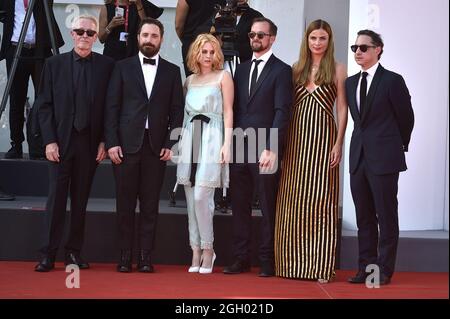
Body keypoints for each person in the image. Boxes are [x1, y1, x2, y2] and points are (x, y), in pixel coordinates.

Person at [34, 15, 114, 272]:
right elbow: (43, 106)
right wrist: (49, 141)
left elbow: (109, 109)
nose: (84, 36)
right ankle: (48, 253)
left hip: (89, 144)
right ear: (72, 33)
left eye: (90, 33)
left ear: (96, 36)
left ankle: (73, 253)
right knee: (56, 199)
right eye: (80, 31)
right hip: (60, 143)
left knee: (80, 201)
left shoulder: (106, 66)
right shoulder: (54, 64)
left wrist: (104, 140)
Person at [105, 18, 184, 273]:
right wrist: (112, 143)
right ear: (138, 37)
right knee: (125, 204)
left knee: (150, 205)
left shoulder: (172, 71)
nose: (149, 40)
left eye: (154, 36)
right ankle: (125, 256)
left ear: (161, 39)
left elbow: (177, 111)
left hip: (156, 148)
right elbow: (112, 108)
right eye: (145, 35)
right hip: (126, 147)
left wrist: (171, 143)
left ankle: (146, 256)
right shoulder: (122, 67)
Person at [274, 20, 348, 283]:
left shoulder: (339, 69)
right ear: (307, 40)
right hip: (296, 139)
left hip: (324, 139)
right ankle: (290, 264)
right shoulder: (295, 69)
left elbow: (342, 109)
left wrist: (338, 142)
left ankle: (320, 266)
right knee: (293, 199)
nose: (317, 43)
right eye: (313, 38)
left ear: (330, 41)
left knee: (321, 200)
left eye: (322, 38)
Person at [223, 17, 293, 277]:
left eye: (261, 35)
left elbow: (281, 112)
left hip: (265, 150)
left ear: (272, 38)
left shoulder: (282, 70)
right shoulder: (239, 70)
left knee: (267, 205)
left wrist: (272, 147)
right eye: (252, 35)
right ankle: (241, 259)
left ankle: (267, 260)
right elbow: (235, 110)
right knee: (239, 206)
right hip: (240, 148)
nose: (255, 39)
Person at [346, 30, 414, 285]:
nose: (358, 52)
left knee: (386, 216)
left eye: (364, 47)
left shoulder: (393, 80)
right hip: (358, 158)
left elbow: (407, 118)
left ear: (379, 49)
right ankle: (365, 269)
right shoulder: (350, 82)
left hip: (385, 158)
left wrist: (397, 145)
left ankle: (383, 271)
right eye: (355, 48)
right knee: (363, 217)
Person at [176, 33, 233, 274]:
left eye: (212, 51)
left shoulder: (224, 76)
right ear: (196, 54)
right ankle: (195, 250)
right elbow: (183, 115)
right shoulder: (188, 81)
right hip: (190, 138)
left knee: (202, 196)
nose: (208, 56)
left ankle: (209, 249)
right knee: (190, 197)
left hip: (212, 136)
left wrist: (226, 144)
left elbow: (229, 111)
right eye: (204, 51)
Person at [0, 0, 64, 159]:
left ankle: (40, 145)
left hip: (40, 50)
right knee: (16, 98)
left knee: (43, 99)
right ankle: (16, 144)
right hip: (16, 48)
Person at [98, 0, 163, 61]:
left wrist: (139, 5)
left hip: (134, 53)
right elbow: (101, 39)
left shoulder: (139, 4)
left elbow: (147, 28)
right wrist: (110, 26)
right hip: (112, 55)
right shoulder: (107, 7)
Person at [175, 0, 225, 77]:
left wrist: (187, 42)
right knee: (217, 81)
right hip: (215, 43)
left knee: (193, 82)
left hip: (192, 43)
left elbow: (178, 26)